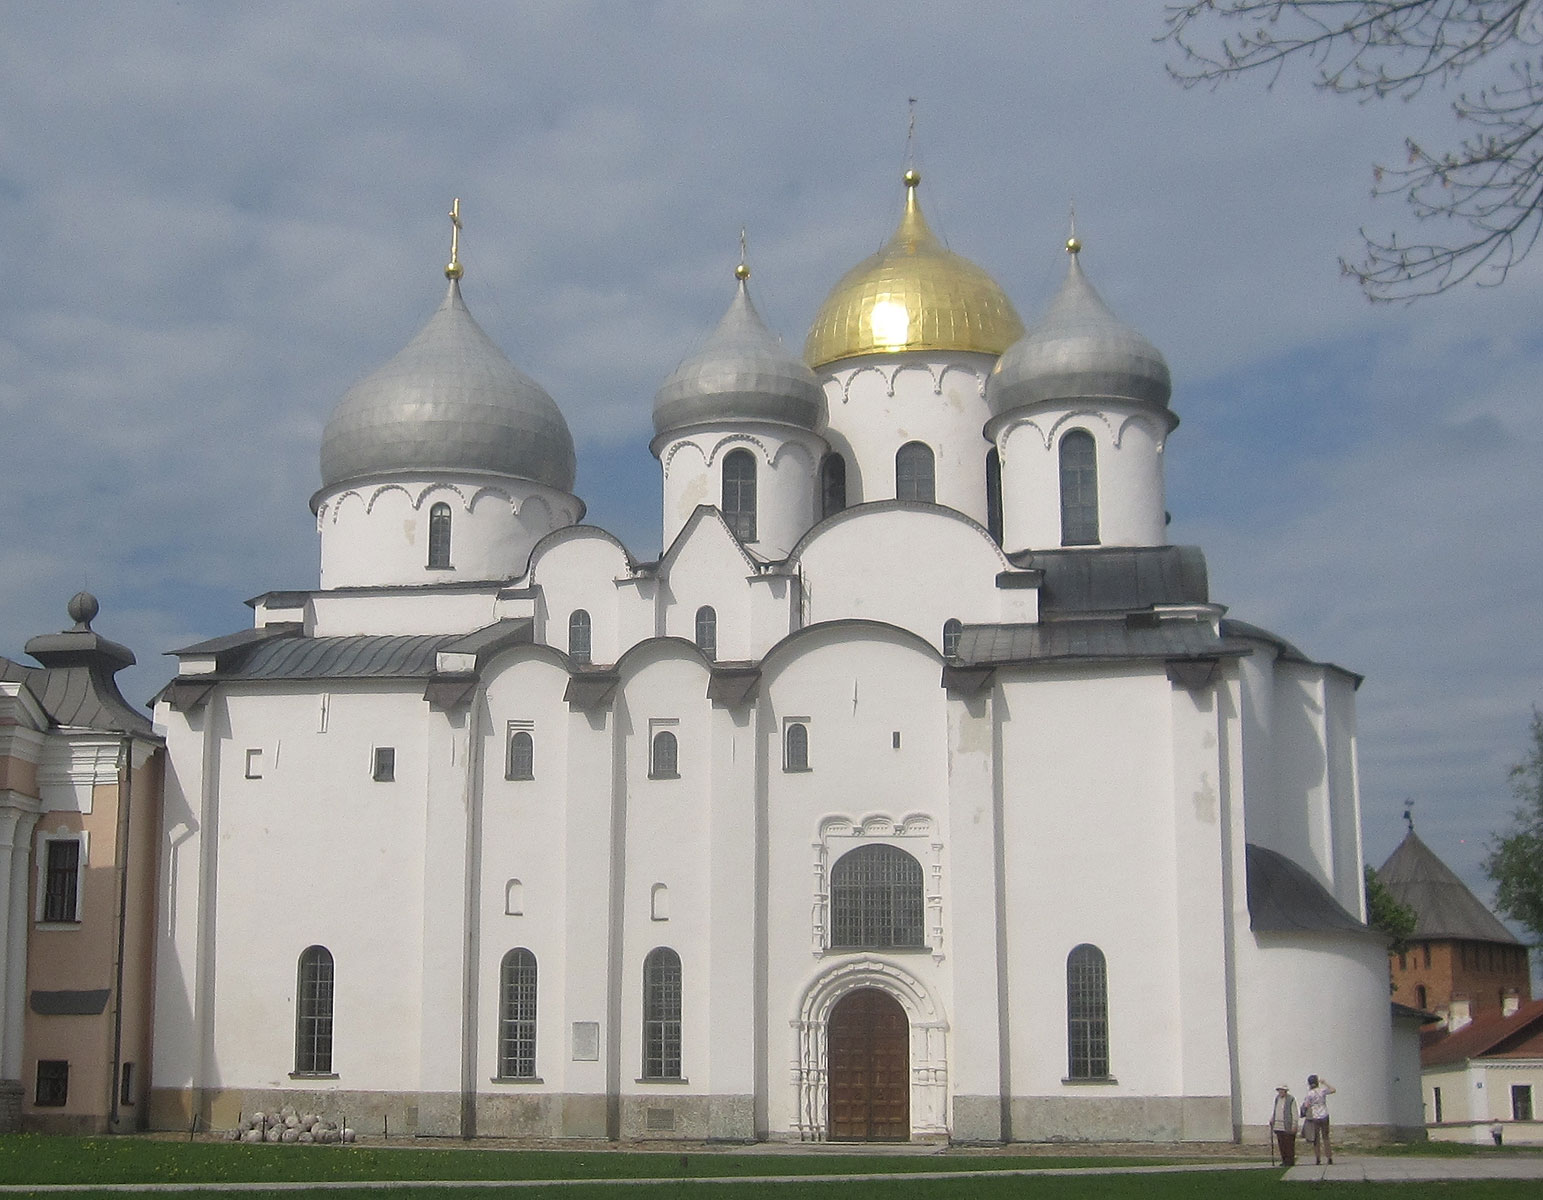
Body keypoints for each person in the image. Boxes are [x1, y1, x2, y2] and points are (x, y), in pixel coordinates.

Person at [1301, 1074, 1336, 1164]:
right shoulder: (1322, 1090)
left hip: (1315, 1116)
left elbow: (1306, 1105)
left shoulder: (1309, 1094)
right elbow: (1333, 1090)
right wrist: (1325, 1083)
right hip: (1324, 1114)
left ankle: (1318, 1158)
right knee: (1326, 1137)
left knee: (1316, 1138)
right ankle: (1329, 1157)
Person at [1269, 1084, 1298, 1166]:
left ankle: (1290, 1161)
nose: (1280, 1092)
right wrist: (1272, 1118)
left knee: (1288, 1144)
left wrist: (1294, 1124)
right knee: (1281, 1144)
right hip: (1278, 1125)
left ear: (1285, 1091)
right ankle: (1284, 1160)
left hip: (1287, 1125)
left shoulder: (1291, 1099)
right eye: (1279, 1090)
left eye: (1282, 1090)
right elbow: (1275, 1110)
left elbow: (1294, 1112)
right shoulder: (1277, 1099)